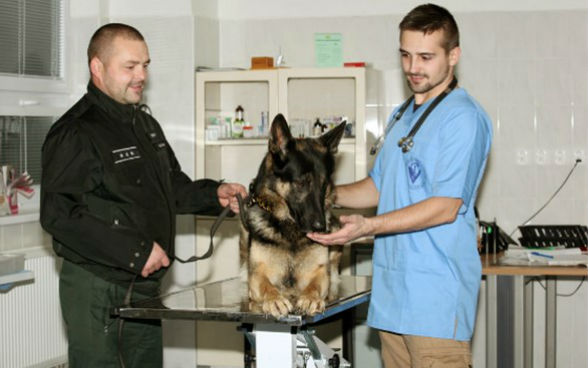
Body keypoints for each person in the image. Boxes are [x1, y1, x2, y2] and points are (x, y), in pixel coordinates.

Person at [40, 23, 247, 367]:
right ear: (97, 68)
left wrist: (215, 195)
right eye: (130, 67)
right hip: (97, 287)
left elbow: (173, 187)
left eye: (145, 65)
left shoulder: (145, 125)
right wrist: (135, 251)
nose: (141, 76)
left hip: (144, 286)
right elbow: (59, 214)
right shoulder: (76, 131)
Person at [308, 4, 492, 367]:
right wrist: (318, 195)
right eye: (405, 55)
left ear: (453, 55)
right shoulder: (401, 115)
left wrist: (369, 225)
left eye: (425, 57)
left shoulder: (463, 119)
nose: (412, 67)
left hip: (435, 303)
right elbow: (378, 188)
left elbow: (446, 205)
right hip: (394, 300)